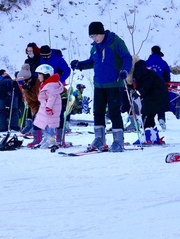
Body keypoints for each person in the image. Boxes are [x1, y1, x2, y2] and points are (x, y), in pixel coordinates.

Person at [70, 21, 132, 152]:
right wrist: (79, 65)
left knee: (114, 112)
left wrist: (125, 71)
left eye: (95, 35)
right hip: (99, 84)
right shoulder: (94, 47)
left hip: (114, 83)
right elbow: (92, 62)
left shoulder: (116, 42)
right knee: (97, 112)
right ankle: (99, 138)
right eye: (91, 36)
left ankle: (118, 141)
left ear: (102, 33)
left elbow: (127, 58)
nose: (94, 38)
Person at [131, 59, 170, 144]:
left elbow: (146, 86)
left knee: (145, 116)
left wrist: (138, 93)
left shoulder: (143, 73)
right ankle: (154, 136)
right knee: (150, 116)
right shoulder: (148, 72)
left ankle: (146, 138)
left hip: (154, 98)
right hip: (159, 97)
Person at [39, 44, 71, 145]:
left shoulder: (57, 59)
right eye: (43, 56)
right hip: (45, 87)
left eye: (47, 56)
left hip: (57, 87)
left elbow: (67, 70)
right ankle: (48, 136)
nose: (45, 58)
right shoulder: (41, 59)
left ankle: (60, 137)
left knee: (58, 111)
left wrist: (58, 80)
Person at [32, 64, 64, 149]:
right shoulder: (47, 84)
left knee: (50, 126)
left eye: (40, 74)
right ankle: (47, 138)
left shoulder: (50, 86)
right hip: (46, 108)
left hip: (50, 110)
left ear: (46, 75)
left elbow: (51, 97)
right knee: (44, 125)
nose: (38, 76)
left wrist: (48, 107)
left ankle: (51, 140)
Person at [145, 45, 171, 131]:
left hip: (149, 87)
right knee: (160, 103)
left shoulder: (146, 62)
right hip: (160, 86)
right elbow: (167, 76)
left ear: (151, 52)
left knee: (150, 104)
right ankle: (161, 119)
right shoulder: (163, 63)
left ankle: (150, 124)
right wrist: (168, 85)